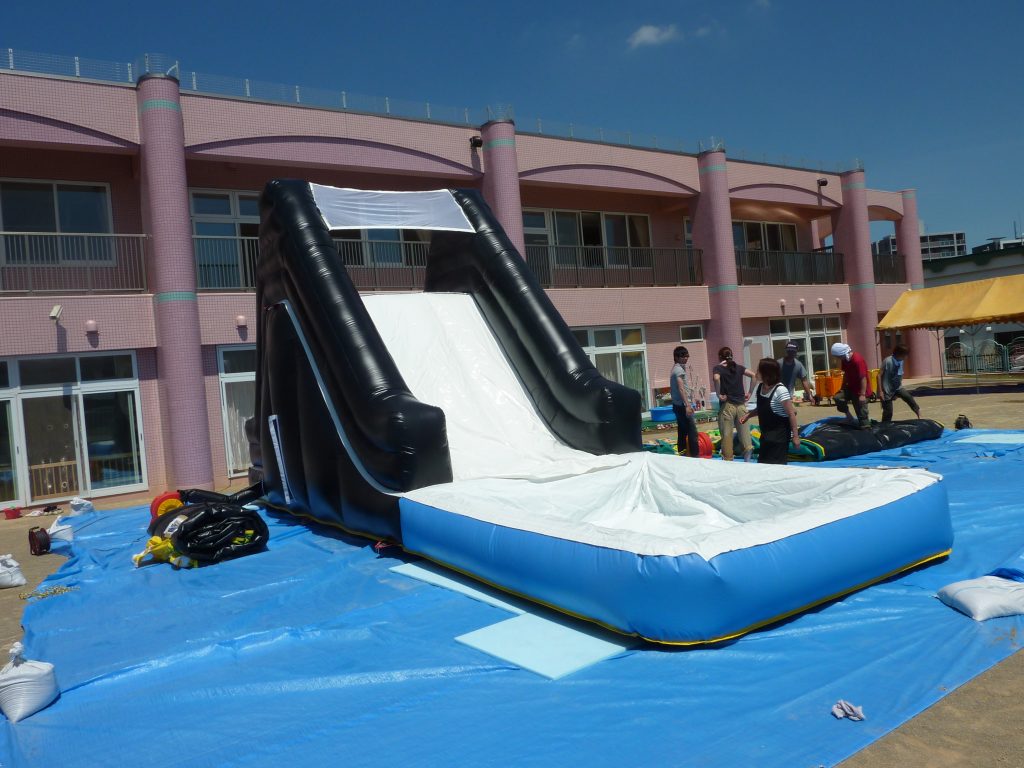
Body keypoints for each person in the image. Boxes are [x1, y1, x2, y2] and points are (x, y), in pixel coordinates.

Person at [741, 358, 801, 464]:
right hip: (765, 436)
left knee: (776, 468)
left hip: (779, 438)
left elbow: (791, 414)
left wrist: (796, 437)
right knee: (763, 466)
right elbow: (762, 408)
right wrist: (748, 415)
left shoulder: (780, 390)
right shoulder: (760, 387)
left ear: (767, 374)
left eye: (759, 370)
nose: (756, 372)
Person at [713, 346, 755, 461]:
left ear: (720, 357)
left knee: (727, 437)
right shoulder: (739, 367)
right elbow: (753, 375)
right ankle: (748, 457)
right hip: (741, 406)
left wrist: (718, 394)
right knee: (745, 435)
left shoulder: (718, 368)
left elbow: (716, 378)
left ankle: (728, 460)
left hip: (727, 406)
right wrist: (750, 392)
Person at [831, 342, 872, 428]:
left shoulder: (857, 360)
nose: (838, 359)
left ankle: (865, 425)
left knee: (861, 413)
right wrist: (842, 388)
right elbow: (846, 374)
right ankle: (849, 417)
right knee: (838, 397)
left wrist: (862, 394)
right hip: (851, 388)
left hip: (861, 390)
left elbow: (863, 378)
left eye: (838, 357)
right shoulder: (845, 360)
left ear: (841, 354)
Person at [669, 346, 700, 457]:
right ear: (677, 357)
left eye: (687, 356)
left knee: (682, 431)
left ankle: (682, 454)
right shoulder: (678, 370)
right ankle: (695, 456)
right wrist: (687, 405)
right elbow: (681, 388)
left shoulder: (676, 369)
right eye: (683, 356)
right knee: (692, 431)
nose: (686, 358)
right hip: (682, 405)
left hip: (677, 405)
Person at [879, 344, 921, 422]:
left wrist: (896, 394)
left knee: (908, 397)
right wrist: (880, 391)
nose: (906, 357)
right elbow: (878, 376)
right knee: (888, 412)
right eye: (905, 355)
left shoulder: (901, 361)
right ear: (899, 354)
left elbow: (899, 375)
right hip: (886, 390)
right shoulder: (887, 361)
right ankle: (885, 425)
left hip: (897, 387)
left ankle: (919, 414)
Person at [777, 341, 815, 405]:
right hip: (777, 395)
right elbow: (771, 379)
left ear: (796, 352)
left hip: (788, 396)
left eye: (793, 351)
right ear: (786, 351)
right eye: (789, 351)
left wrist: (809, 395)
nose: (791, 353)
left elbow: (804, 380)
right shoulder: (778, 364)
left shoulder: (798, 365)